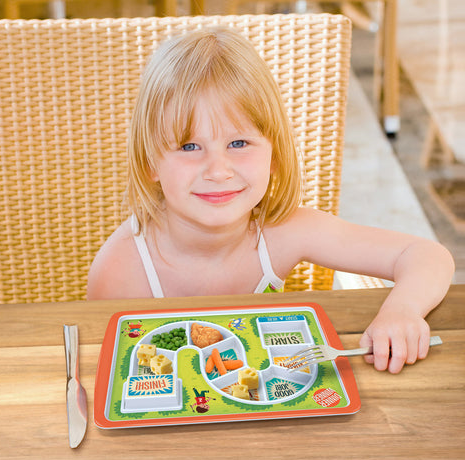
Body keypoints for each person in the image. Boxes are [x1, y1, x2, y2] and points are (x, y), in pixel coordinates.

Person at [87, 27, 455, 374]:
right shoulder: (121, 268)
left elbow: (427, 256)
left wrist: (402, 310)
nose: (218, 170)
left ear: (274, 155)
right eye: (189, 146)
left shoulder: (284, 231)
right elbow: (100, 369)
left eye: (238, 143)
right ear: (151, 161)